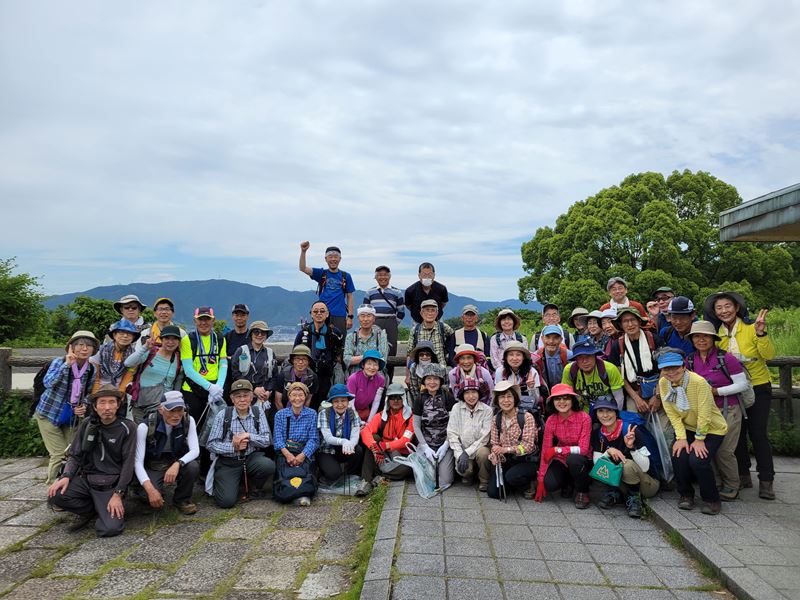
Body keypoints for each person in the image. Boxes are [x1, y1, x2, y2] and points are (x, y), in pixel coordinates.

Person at [704, 291, 776, 499]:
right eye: (719, 308)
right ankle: (743, 475)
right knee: (737, 434)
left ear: (736, 307)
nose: (724, 311)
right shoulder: (717, 334)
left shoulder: (752, 328)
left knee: (758, 433)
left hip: (758, 386)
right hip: (733, 389)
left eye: (728, 306)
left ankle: (766, 480)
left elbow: (769, 355)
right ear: (714, 312)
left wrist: (761, 334)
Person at [47, 385, 136, 537]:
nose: (107, 407)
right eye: (102, 402)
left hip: (110, 485)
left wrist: (118, 494)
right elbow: (75, 454)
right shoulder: (87, 424)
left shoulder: (128, 427)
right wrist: (65, 476)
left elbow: (129, 463)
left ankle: (106, 509)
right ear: (95, 406)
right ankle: (93, 509)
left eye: (111, 402)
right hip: (86, 480)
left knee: (110, 529)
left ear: (118, 405)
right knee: (55, 494)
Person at [658, 349, 728, 515]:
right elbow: (672, 413)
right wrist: (681, 438)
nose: (671, 372)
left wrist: (699, 439)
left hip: (712, 428)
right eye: (666, 369)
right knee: (678, 455)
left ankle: (711, 499)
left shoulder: (699, 382)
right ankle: (686, 495)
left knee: (698, 460)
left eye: (675, 367)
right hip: (687, 427)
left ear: (683, 366)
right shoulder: (663, 383)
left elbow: (705, 414)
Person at [686, 320, 749, 500]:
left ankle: (732, 485)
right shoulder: (690, 360)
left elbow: (742, 384)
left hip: (729, 408)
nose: (701, 340)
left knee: (724, 450)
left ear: (713, 338)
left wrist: (716, 391)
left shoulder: (726, 358)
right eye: (697, 336)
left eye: (706, 336)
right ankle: (717, 482)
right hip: (704, 412)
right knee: (708, 449)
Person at [35, 331, 99, 483]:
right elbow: (48, 383)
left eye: (89, 346)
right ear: (72, 347)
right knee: (58, 454)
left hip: (70, 415)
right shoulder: (59, 362)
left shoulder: (91, 369)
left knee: (73, 451)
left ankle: (69, 485)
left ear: (93, 350)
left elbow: (88, 393)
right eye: (80, 345)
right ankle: (52, 487)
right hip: (48, 413)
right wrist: (67, 365)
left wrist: (84, 405)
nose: (84, 349)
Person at [206, 380, 275, 508]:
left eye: (246, 395)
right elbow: (211, 444)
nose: (242, 399)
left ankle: (254, 486)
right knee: (226, 502)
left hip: (250, 458)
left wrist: (248, 436)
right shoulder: (223, 415)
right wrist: (233, 447)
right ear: (232, 399)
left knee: (268, 465)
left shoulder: (257, 412)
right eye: (238, 396)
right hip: (228, 462)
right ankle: (228, 483)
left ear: (251, 397)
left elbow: (267, 440)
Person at [591, 396, 660, 518]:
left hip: (647, 483)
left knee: (626, 464)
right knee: (607, 462)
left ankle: (635, 499)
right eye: (600, 411)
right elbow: (597, 465)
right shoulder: (598, 434)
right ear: (596, 414)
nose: (605, 415)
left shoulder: (631, 430)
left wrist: (632, 447)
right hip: (622, 481)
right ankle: (617, 493)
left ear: (616, 412)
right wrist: (608, 452)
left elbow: (645, 467)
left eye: (609, 410)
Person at [133, 391, 200, 515]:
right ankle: (143, 490)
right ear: (161, 409)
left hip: (175, 459)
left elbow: (195, 450)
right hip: (154, 464)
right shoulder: (144, 427)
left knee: (193, 466)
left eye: (180, 410)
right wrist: (150, 489)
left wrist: (178, 464)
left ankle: (182, 500)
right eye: (171, 410)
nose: (176, 415)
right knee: (148, 497)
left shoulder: (188, 420)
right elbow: (137, 462)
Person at [180, 306, 227, 474]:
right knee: (192, 429)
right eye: (201, 319)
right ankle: (189, 468)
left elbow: (223, 363)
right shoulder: (188, 340)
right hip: (192, 390)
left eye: (207, 319)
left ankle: (205, 469)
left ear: (213, 321)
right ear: (195, 321)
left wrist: (218, 386)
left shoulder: (219, 339)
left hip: (214, 392)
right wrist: (209, 386)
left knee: (212, 429)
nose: (204, 322)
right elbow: (188, 369)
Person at [534, 384, 592, 508]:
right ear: (552, 402)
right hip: (561, 458)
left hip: (581, 459)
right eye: (557, 399)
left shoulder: (584, 418)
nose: (562, 402)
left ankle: (583, 491)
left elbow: (583, 449)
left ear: (572, 400)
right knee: (549, 484)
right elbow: (546, 450)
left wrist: (558, 449)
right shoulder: (551, 420)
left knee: (573, 460)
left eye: (566, 398)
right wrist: (540, 479)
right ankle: (568, 481)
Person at [358, 382, 415, 495]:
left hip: (401, 455)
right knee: (374, 438)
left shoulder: (411, 417)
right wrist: (374, 447)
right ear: (388, 400)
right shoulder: (381, 415)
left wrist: (385, 446)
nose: (395, 401)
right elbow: (366, 431)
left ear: (403, 399)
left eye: (399, 397)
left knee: (410, 468)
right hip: (383, 453)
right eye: (392, 397)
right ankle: (366, 481)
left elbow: (406, 440)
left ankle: (379, 475)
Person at [487, 381, 539, 499]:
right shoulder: (496, 419)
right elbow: (494, 443)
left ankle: (529, 484)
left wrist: (506, 449)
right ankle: (512, 483)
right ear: (497, 401)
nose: (506, 400)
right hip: (507, 460)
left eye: (509, 396)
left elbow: (528, 446)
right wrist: (494, 454)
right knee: (493, 493)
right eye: (502, 397)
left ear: (515, 398)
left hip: (526, 460)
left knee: (512, 476)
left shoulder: (526, 417)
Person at [273, 381, 320, 506]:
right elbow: (277, 439)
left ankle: (300, 491)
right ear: (289, 397)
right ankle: (291, 491)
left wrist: (302, 455)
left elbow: (314, 439)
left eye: (300, 395)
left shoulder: (312, 414)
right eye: (294, 395)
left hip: (304, 451)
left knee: (306, 472)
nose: (297, 398)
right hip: (286, 451)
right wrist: (288, 455)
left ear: (305, 397)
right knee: (285, 472)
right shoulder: (280, 414)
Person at [125, 325, 183, 423]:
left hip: (161, 407)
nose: (170, 342)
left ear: (179, 341)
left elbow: (177, 384)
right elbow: (128, 363)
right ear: (161, 339)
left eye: (174, 339)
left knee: (155, 431)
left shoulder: (179, 359)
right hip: (140, 403)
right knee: (140, 431)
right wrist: (145, 347)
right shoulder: (151, 352)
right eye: (167, 338)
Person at [606, 308, 660, 415]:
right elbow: (620, 376)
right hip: (634, 392)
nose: (630, 324)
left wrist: (657, 396)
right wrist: (636, 398)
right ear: (621, 325)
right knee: (633, 420)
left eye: (633, 320)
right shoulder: (617, 346)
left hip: (657, 389)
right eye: (625, 321)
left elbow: (665, 370)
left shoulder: (653, 339)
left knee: (663, 425)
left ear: (639, 321)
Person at [294, 301, 344, 409]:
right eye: (315, 311)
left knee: (324, 405)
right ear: (311, 314)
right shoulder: (303, 333)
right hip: (307, 375)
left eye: (322, 311)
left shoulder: (335, 333)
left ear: (327, 314)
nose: (319, 313)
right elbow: (295, 354)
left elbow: (339, 352)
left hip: (327, 375)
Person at [413, 364, 456, 489]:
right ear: (424, 381)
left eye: (436, 379)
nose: (432, 382)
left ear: (440, 381)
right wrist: (425, 447)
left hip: (444, 443)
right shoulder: (419, 399)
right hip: (426, 444)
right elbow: (416, 425)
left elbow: (453, 424)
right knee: (428, 478)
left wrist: (446, 444)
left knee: (446, 480)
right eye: (429, 379)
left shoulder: (447, 396)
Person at [299, 242, 355, 333]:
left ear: (340, 259)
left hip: (339, 315)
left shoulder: (346, 276)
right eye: (330, 257)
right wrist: (303, 251)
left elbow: (350, 297)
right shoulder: (321, 273)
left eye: (336, 257)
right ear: (326, 259)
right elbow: (303, 268)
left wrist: (350, 317)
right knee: (321, 339)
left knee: (339, 340)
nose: (333, 259)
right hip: (321, 314)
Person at [447, 380, 492, 490]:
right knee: (466, 470)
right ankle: (469, 475)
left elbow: (484, 437)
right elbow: (452, 433)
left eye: (474, 392)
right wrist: (459, 454)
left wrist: (467, 453)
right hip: (463, 448)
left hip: (479, 448)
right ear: (462, 395)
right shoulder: (456, 408)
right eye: (467, 393)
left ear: (479, 393)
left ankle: (484, 480)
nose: (471, 396)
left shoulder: (487, 410)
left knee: (484, 453)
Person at [363, 265, 405, 381]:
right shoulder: (369, 292)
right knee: (373, 349)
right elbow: (365, 311)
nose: (383, 277)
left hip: (391, 322)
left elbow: (401, 312)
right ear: (376, 277)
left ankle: (389, 380)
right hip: (374, 322)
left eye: (385, 275)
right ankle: (372, 378)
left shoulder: (397, 292)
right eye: (380, 275)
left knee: (391, 352)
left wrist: (394, 323)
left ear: (389, 276)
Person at [316, 384, 364, 486]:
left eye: (343, 400)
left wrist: (351, 444)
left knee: (358, 450)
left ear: (348, 401)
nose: (340, 404)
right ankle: (328, 471)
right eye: (336, 401)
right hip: (327, 450)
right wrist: (343, 441)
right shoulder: (324, 413)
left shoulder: (352, 413)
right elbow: (328, 438)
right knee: (333, 474)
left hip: (344, 449)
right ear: (332, 403)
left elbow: (355, 435)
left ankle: (349, 473)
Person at [561, 340, 625, 411]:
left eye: (588, 356)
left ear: (595, 356)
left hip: (606, 410)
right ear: (575, 359)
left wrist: (616, 414)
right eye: (580, 357)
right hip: (581, 410)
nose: (585, 361)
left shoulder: (609, 369)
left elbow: (619, 398)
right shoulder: (570, 370)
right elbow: (566, 395)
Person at [230, 320, 277, 410]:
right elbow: (236, 374)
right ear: (251, 334)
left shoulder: (270, 353)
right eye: (256, 332)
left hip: (264, 397)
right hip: (244, 396)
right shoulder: (241, 351)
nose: (259, 335)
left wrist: (268, 391)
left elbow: (274, 376)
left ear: (266, 336)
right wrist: (254, 389)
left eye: (263, 333)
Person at [406, 299, 454, 382]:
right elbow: (409, 354)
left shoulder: (444, 328)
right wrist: (408, 375)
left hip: (440, 371)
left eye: (433, 310)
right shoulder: (415, 330)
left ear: (437, 313)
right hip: (420, 373)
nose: (430, 313)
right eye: (427, 310)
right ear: (421, 313)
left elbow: (453, 342)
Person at [91, 320, 138, 394]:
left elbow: (128, 377)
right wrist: (95, 394)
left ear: (133, 337)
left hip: (119, 391)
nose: (125, 336)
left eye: (129, 334)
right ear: (114, 335)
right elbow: (95, 376)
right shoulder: (101, 351)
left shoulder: (134, 355)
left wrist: (120, 395)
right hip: (100, 388)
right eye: (121, 333)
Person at [343, 304, 389, 377]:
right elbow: (347, 359)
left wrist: (357, 358)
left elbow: (383, 359)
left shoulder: (381, 336)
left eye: (369, 316)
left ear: (374, 318)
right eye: (362, 316)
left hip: (376, 375)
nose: (365, 319)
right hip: (356, 375)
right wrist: (369, 356)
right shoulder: (351, 337)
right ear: (358, 318)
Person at [495, 341, 542, 409]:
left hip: (526, 409)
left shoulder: (532, 372)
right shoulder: (500, 372)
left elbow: (536, 401)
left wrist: (531, 388)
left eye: (518, 355)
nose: (514, 358)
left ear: (523, 357)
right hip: (506, 408)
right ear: (506, 357)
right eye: (511, 355)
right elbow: (498, 396)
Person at [273, 345, 319, 410]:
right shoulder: (283, 375)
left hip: (303, 407)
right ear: (292, 361)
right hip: (284, 406)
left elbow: (308, 400)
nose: (300, 362)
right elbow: (278, 401)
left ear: (308, 362)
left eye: (304, 359)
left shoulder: (312, 377)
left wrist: (302, 414)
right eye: (297, 359)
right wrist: (284, 414)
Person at [347, 349, 386, 423]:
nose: (372, 367)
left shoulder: (381, 380)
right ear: (363, 365)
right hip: (350, 410)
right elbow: (350, 403)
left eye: (375, 364)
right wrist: (357, 421)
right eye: (369, 364)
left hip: (365, 410)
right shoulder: (353, 378)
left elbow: (376, 402)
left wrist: (369, 422)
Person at [531, 325, 570, 396]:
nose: (551, 341)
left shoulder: (569, 355)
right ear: (542, 339)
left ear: (561, 340)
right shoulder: (536, 357)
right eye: (548, 337)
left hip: (564, 395)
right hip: (544, 394)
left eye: (555, 338)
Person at [405, 341, 444, 405]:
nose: (424, 357)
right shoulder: (414, 368)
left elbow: (444, 387)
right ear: (417, 356)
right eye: (421, 354)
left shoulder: (440, 368)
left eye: (428, 354)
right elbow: (414, 389)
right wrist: (419, 404)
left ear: (432, 355)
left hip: (439, 400)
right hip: (420, 400)